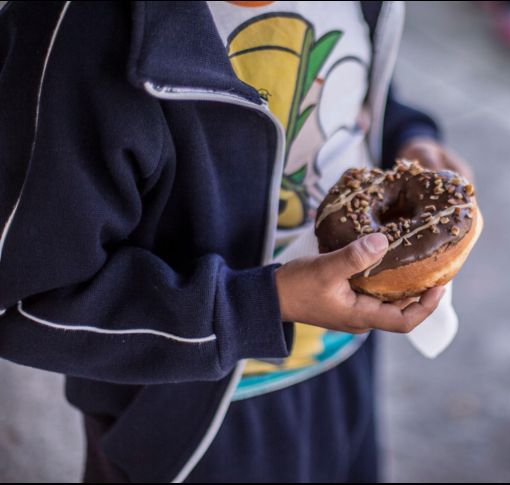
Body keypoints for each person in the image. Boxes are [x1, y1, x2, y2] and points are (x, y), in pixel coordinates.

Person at [0, 1, 472, 482]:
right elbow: (31, 301)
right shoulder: (80, 32)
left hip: (340, 363)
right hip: (181, 413)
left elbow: (358, 82)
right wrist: (266, 302)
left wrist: (408, 134)